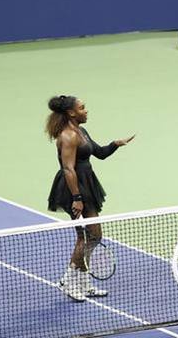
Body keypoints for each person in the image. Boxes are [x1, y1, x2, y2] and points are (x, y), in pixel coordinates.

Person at [46, 95, 135, 301]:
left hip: (87, 186)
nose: (86, 111)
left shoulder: (81, 131)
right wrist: (76, 198)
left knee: (94, 236)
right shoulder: (68, 136)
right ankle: (69, 282)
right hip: (73, 189)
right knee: (84, 237)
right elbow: (68, 169)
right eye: (82, 108)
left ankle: (83, 283)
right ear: (71, 113)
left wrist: (115, 144)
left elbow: (100, 153)